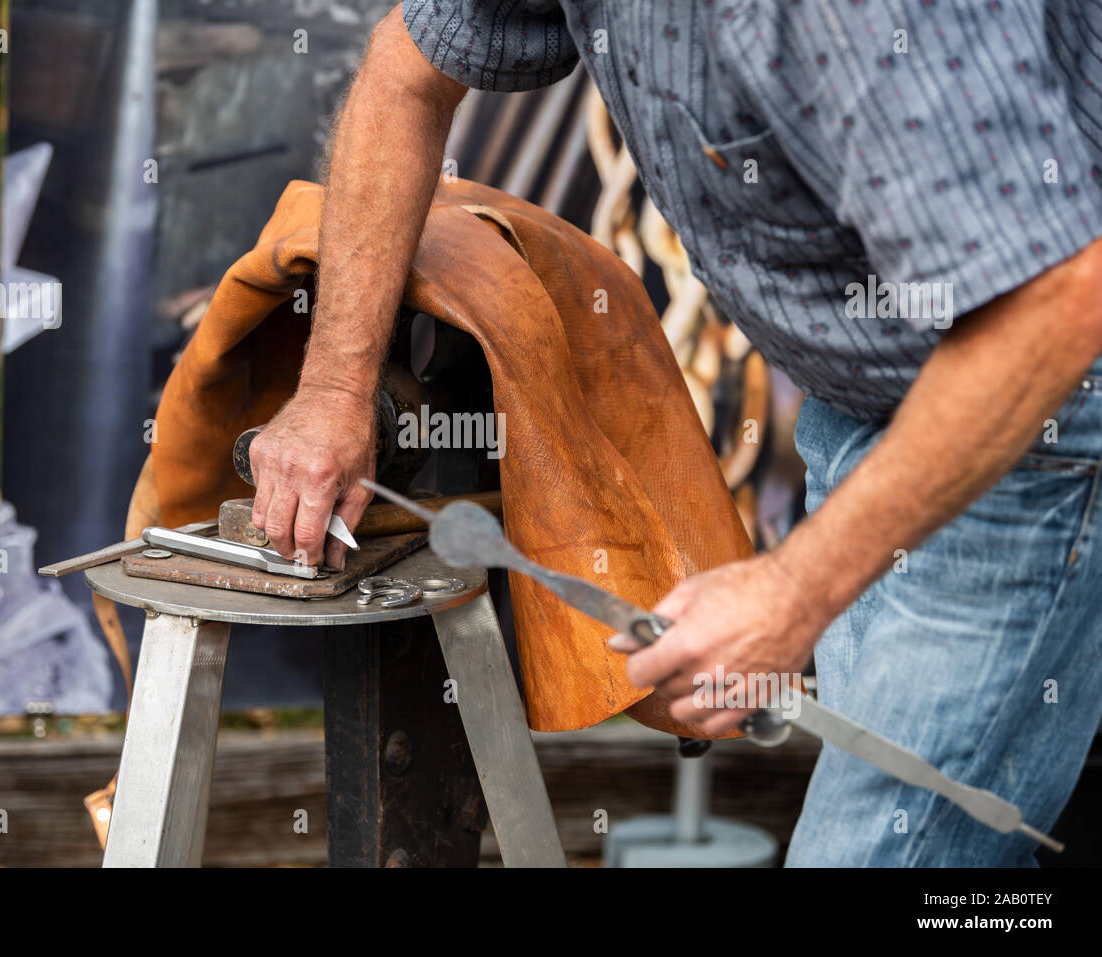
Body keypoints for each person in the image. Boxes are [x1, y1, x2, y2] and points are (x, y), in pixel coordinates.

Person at [246, 1, 1102, 865]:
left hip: (1045, 409)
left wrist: (793, 591)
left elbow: (1060, 296)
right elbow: (406, 74)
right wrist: (333, 384)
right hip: (876, 395)